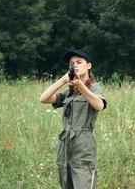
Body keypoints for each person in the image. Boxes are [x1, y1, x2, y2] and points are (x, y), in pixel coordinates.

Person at [39, 49, 107, 189]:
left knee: (84, 184)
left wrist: (81, 85)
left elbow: (99, 105)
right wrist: (64, 80)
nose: (75, 65)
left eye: (79, 62)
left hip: (83, 145)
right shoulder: (69, 92)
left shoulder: (94, 87)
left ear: (88, 65)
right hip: (65, 144)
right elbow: (43, 98)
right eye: (71, 63)